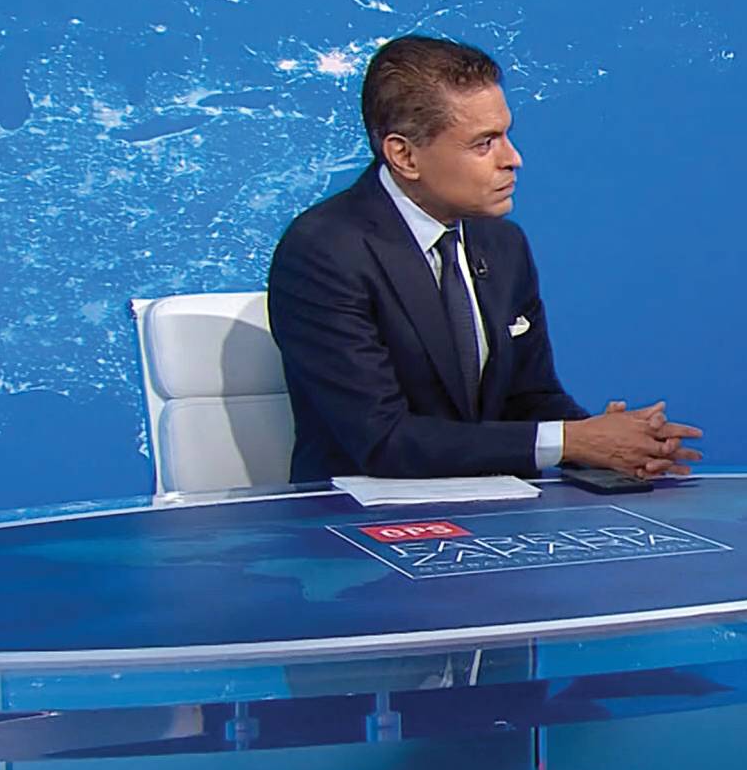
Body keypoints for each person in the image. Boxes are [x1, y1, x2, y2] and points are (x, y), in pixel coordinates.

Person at [268, 35, 700, 483]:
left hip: (492, 512)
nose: (513, 159)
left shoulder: (502, 244)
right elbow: (382, 440)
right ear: (404, 155)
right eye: (483, 144)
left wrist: (608, 441)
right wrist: (573, 441)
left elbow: (529, 399)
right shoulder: (325, 252)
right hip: (356, 523)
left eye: (506, 135)